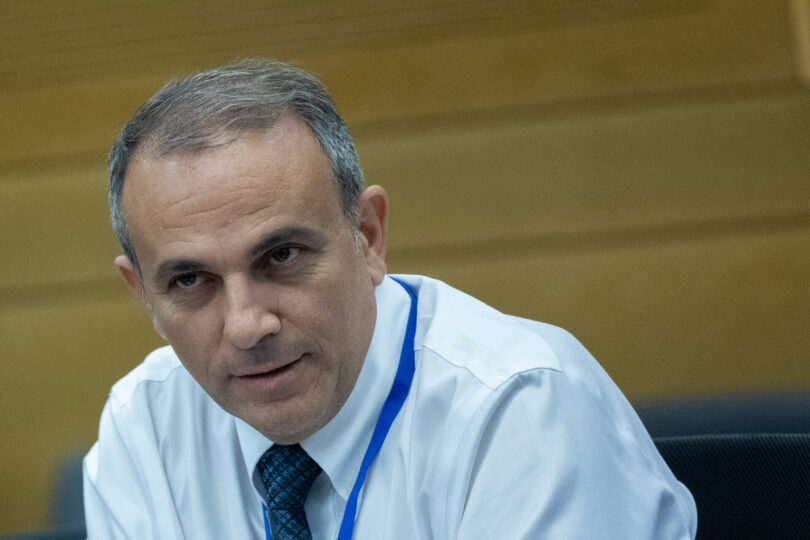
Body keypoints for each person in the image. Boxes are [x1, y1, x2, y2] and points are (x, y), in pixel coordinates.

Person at [83, 58, 697, 539]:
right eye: (190, 281)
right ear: (145, 296)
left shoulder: (520, 407)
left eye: (282, 256)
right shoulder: (146, 426)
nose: (247, 325)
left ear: (368, 237)